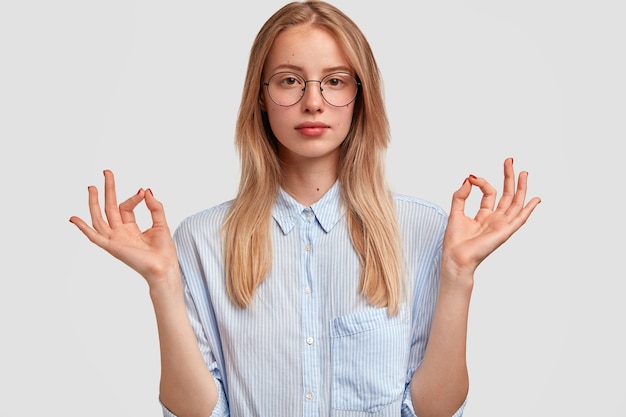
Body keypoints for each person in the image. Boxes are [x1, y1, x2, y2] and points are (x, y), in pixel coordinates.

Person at [69, 1, 541, 416]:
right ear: (260, 95)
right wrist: (163, 282)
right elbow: (199, 413)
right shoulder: (201, 238)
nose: (313, 102)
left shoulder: (422, 229)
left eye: (334, 81)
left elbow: (431, 412)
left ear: (359, 95)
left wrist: (458, 274)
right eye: (290, 81)